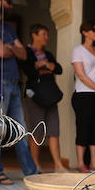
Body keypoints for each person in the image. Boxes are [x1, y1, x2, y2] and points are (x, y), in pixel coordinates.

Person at [0, 0, 38, 185]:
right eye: (8, 1)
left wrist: (11, 48)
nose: (11, 5)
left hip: (14, 84)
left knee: (21, 130)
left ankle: (30, 172)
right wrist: (13, 48)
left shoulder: (9, 28)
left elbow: (24, 55)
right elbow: (0, 52)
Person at [21, 23, 68, 173]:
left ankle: (58, 165)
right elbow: (28, 69)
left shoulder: (48, 54)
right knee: (37, 131)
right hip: (35, 95)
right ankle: (35, 164)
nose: (46, 37)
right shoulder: (27, 52)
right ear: (34, 35)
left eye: (47, 34)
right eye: (43, 34)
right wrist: (43, 68)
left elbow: (58, 68)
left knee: (54, 130)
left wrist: (45, 65)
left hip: (50, 95)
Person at [71, 21, 95, 172]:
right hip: (83, 95)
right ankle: (81, 163)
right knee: (83, 127)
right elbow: (80, 75)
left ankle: (94, 163)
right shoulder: (78, 50)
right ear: (84, 33)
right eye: (93, 29)